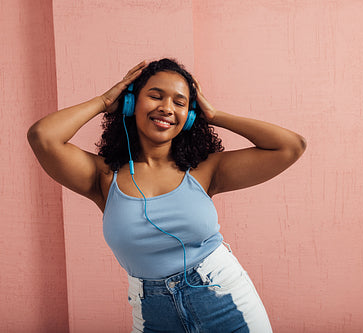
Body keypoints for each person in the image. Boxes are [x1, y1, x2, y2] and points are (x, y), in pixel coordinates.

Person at [27, 58, 306, 332]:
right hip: (153, 312)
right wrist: (103, 101)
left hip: (224, 298)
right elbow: (43, 136)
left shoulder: (205, 169)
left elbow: (290, 146)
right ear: (131, 103)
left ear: (190, 116)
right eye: (155, 96)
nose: (166, 108)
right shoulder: (103, 176)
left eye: (180, 102)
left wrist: (215, 115)